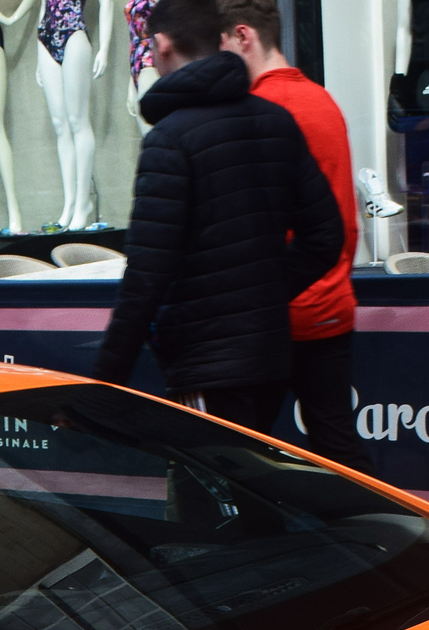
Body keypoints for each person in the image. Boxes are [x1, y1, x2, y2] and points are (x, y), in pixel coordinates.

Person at [92, 0, 342, 431]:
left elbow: (146, 276)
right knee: (247, 488)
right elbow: (325, 236)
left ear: (162, 45)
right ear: (221, 40)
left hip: (205, 360)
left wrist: (101, 387)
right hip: (268, 353)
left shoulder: (170, 139)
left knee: (206, 491)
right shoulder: (277, 121)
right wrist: (261, 296)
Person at [218, 0, 371, 473]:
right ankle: (377, 537)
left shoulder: (259, 110)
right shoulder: (322, 100)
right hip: (328, 304)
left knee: (238, 454)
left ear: (244, 36)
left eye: (222, 47)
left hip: (275, 314)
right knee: (337, 445)